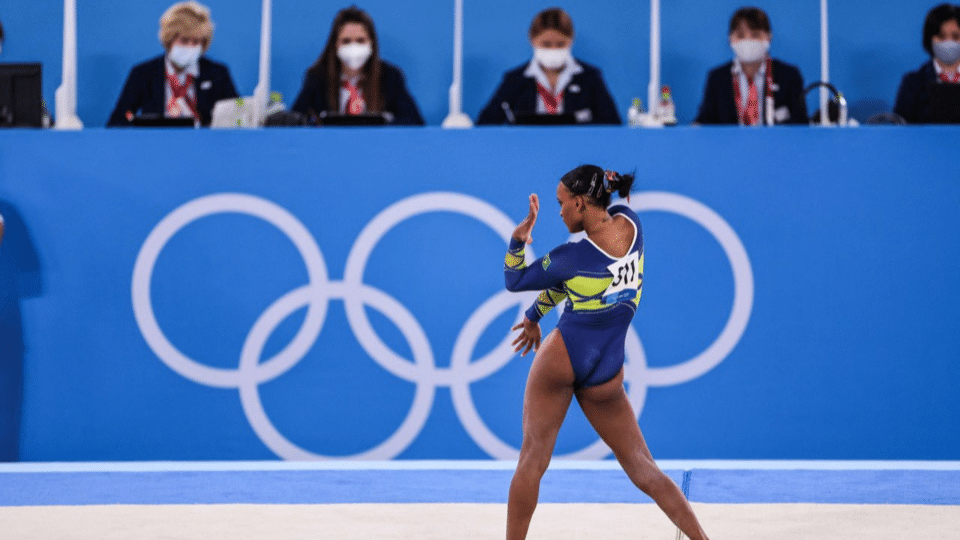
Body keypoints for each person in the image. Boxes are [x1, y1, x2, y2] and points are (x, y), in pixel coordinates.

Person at [502, 165, 710, 540]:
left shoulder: (570, 255)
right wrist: (534, 315)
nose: (559, 212)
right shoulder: (631, 224)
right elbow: (580, 285)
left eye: (562, 204)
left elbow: (514, 279)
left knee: (532, 460)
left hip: (562, 359)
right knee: (645, 469)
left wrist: (519, 240)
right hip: (608, 369)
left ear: (581, 203)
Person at [477, 8, 621, 125]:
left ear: (571, 40)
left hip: (577, 149)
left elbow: (612, 124)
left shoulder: (589, 77)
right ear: (532, 39)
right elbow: (485, 123)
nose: (553, 49)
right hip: (527, 149)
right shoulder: (515, 80)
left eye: (560, 44)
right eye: (546, 44)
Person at [107, 1, 239, 127]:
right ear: (169, 40)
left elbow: (237, 118)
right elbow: (118, 122)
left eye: (196, 42)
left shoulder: (217, 74)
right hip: (155, 144)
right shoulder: (143, 74)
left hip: (203, 145)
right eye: (184, 40)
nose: (190, 47)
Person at [291, 6, 424, 126]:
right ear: (335, 44)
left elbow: (413, 121)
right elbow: (297, 120)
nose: (353, 47)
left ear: (371, 43)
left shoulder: (390, 77)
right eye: (346, 41)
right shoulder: (318, 77)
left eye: (360, 41)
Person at [695, 7, 807, 125]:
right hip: (730, 143)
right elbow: (705, 123)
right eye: (741, 35)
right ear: (730, 39)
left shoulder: (789, 75)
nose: (748, 41)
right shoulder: (717, 78)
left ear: (769, 37)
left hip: (777, 143)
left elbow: (800, 124)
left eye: (755, 35)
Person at [894, 4, 960, 123]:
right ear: (930, 38)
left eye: (955, 37)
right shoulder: (912, 83)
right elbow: (900, 129)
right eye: (942, 36)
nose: (949, 42)